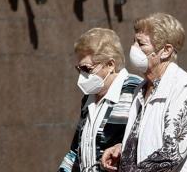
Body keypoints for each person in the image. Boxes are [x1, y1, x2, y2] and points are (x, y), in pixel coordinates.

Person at [100, 13, 187, 172]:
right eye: (134, 42)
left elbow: (172, 153)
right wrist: (124, 149)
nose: (134, 49)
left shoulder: (185, 89)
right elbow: (149, 137)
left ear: (166, 51)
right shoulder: (142, 89)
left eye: (141, 44)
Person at [59, 27, 143, 172]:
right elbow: (76, 151)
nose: (82, 75)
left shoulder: (136, 90)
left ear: (110, 65)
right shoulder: (89, 98)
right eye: (79, 69)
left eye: (87, 69)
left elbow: (146, 142)